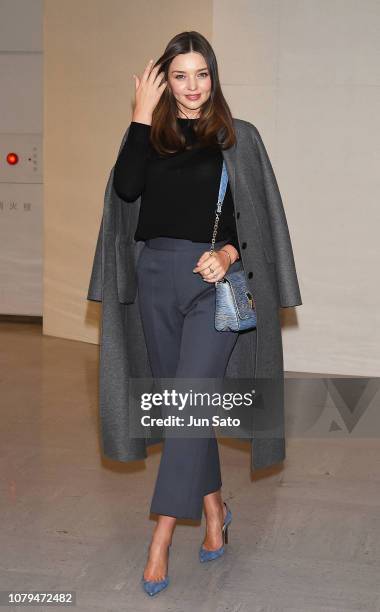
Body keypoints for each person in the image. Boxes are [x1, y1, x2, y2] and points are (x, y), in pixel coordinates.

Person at [113, 32, 243, 596]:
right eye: (182, 75)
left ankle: (161, 535)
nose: (193, 87)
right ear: (167, 80)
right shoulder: (149, 137)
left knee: (189, 402)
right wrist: (140, 119)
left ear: (215, 77)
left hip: (211, 284)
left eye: (203, 74)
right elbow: (126, 190)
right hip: (155, 279)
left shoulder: (236, 142)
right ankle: (216, 512)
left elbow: (248, 223)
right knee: (183, 413)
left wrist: (226, 254)